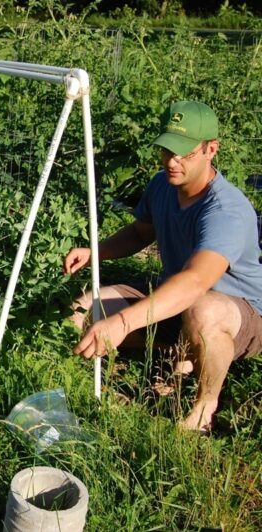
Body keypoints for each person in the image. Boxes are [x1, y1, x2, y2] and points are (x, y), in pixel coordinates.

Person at [63, 100, 262, 433]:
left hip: (240, 313)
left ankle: (203, 409)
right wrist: (95, 252)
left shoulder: (226, 210)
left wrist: (124, 322)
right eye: (167, 150)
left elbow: (197, 281)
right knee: (79, 313)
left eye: (183, 153)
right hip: (175, 299)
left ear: (211, 149)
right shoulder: (162, 185)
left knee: (203, 310)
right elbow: (141, 232)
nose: (172, 161)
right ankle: (181, 352)